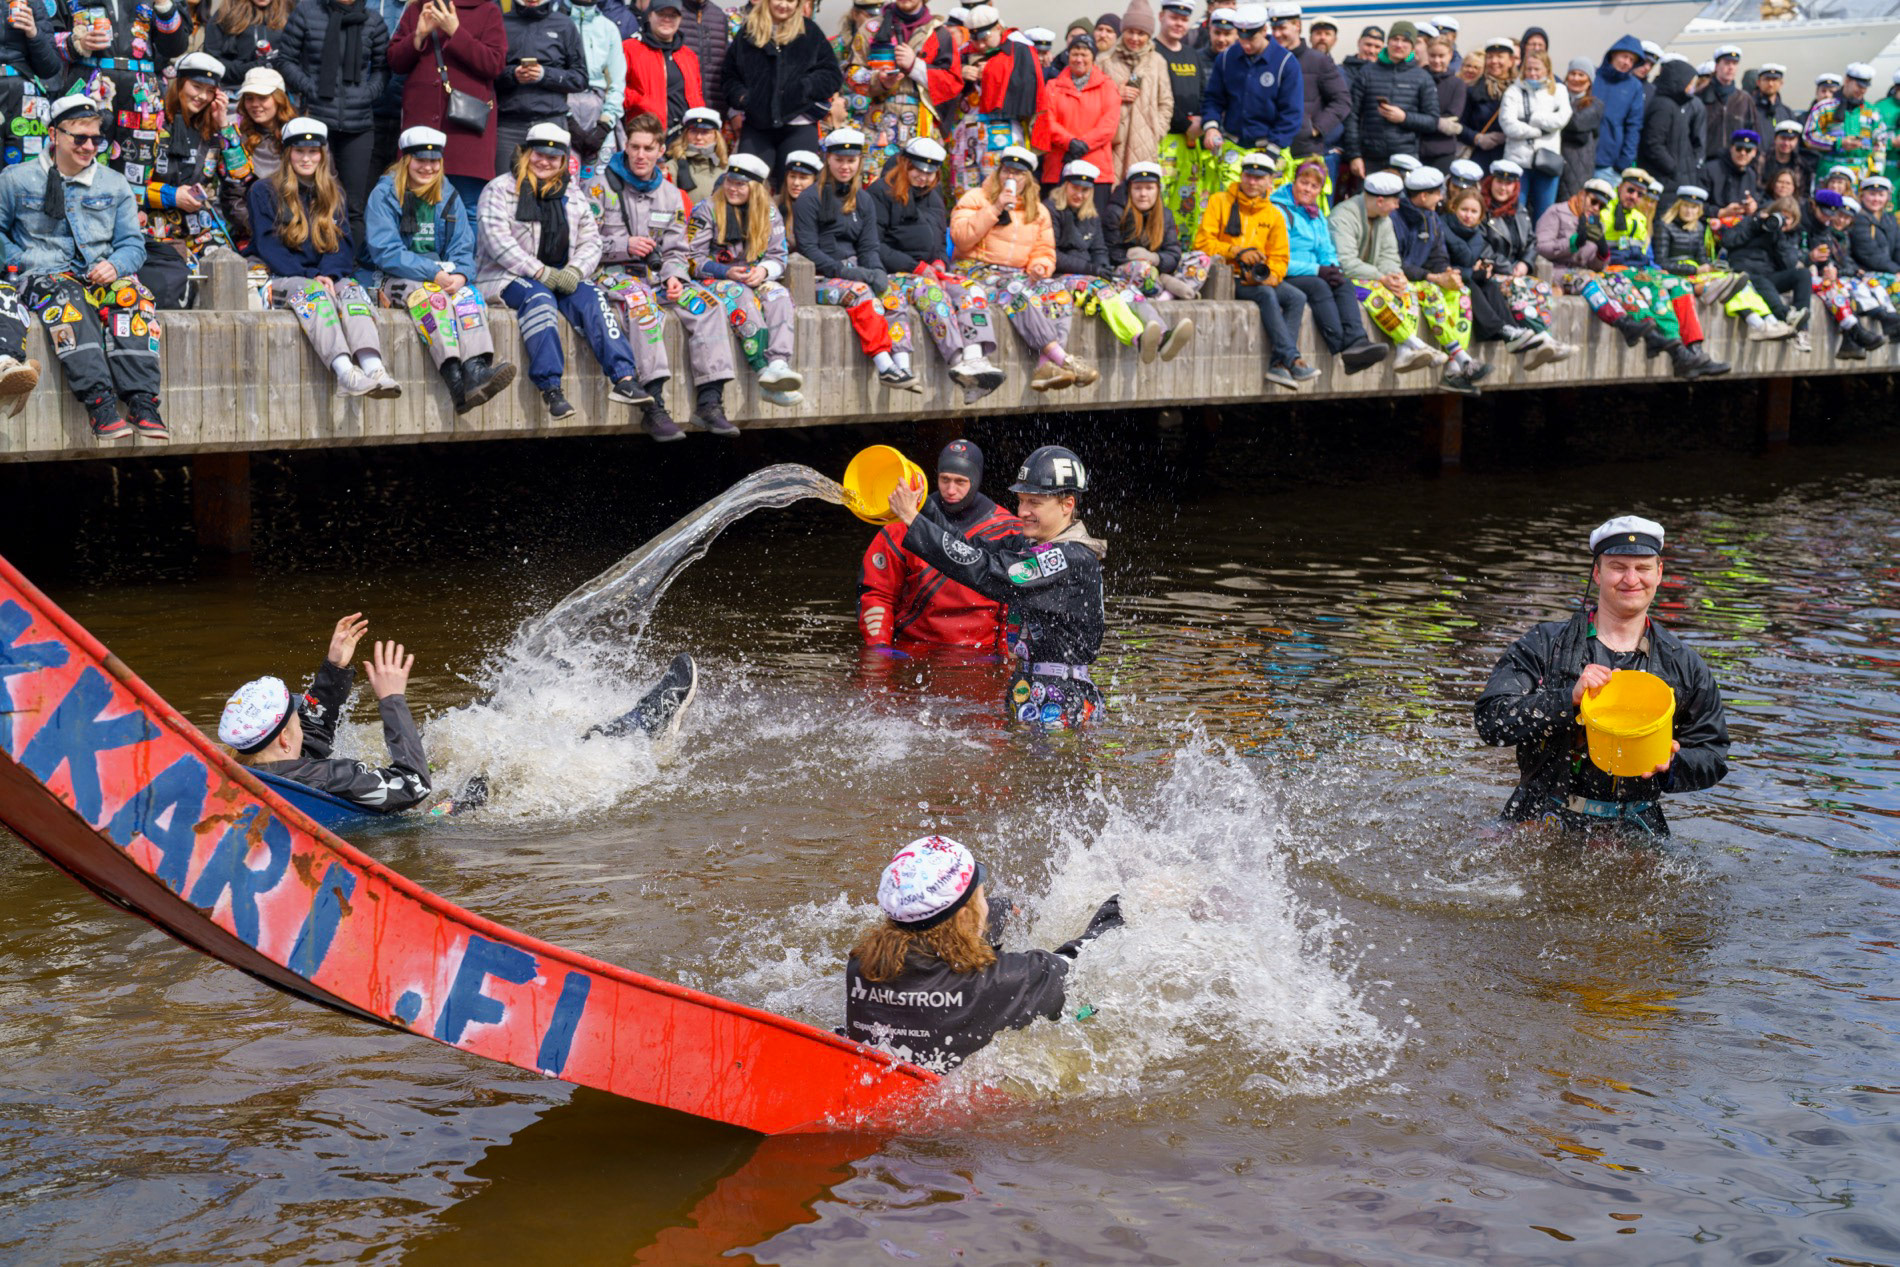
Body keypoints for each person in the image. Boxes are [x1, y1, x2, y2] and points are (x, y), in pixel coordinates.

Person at [1474, 516, 1730, 840]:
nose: (1631, 579)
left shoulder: (1685, 664)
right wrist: (1567, 699)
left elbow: (1713, 753)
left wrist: (1673, 763)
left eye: (1643, 568)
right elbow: (1491, 719)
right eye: (1618, 567)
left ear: (1659, 573)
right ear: (1597, 573)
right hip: (1539, 812)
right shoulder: (1544, 644)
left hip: (1635, 824)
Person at [844, 835, 1124, 1070]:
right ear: (965, 916)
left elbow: (928, 935)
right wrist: (1121, 906)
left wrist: (998, 910)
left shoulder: (862, 967)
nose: (986, 906)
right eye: (981, 897)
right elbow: (1084, 962)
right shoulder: (1006, 979)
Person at [888, 444, 1107, 730]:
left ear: (1067, 505)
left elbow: (990, 574)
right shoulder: (1030, 544)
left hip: (1062, 696)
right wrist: (923, 508)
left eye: (1034, 503)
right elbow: (970, 548)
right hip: (1028, 686)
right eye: (1021, 501)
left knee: (1048, 761)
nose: (1023, 512)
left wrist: (913, 521)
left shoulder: (1069, 558)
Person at [0, 96, 164, 440]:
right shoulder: (16, 179)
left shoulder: (113, 183)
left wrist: (115, 265)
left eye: (96, 139)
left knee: (134, 295)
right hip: (43, 276)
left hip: (99, 275)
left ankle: (142, 402)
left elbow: (133, 245)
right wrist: (21, 260)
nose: (89, 147)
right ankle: (99, 404)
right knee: (70, 299)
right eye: (79, 138)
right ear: (54, 135)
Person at [478, 122, 647, 420]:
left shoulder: (573, 193)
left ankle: (624, 378)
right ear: (526, 153)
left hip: (562, 274)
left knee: (593, 297)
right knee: (539, 299)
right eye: (539, 154)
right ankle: (551, 388)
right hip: (508, 276)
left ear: (562, 160)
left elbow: (592, 241)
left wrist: (576, 270)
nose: (544, 162)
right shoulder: (499, 189)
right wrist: (540, 272)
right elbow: (497, 243)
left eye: (553, 157)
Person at [591, 111, 743, 437]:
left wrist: (676, 277)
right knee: (642, 304)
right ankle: (654, 406)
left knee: (708, 304)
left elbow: (677, 250)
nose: (640, 155)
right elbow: (583, 243)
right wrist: (623, 245)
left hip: (657, 276)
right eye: (635, 147)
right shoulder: (600, 187)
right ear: (626, 147)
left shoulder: (671, 194)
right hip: (611, 273)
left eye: (648, 148)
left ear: (661, 150)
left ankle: (710, 402)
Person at [367, 126, 519, 415]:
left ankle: (476, 369)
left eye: (434, 161)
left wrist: (461, 274)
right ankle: (456, 381)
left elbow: (463, 245)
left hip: (442, 274)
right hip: (395, 276)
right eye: (420, 160)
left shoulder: (448, 192)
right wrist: (432, 273)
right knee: (432, 298)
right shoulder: (385, 193)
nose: (428, 167)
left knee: (469, 296)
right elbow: (385, 251)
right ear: (406, 160)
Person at [249, 118, 400, 399]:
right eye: (299, 151)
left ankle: (374, 368)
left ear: (322, 154)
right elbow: (270, 248)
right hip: (282, 276)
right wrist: (313, 277)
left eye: (313, 152)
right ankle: (345, 373)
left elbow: (342, 246)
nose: (306, 158)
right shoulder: (264, 191)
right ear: (288, 153)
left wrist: (329, 275)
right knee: (315, 295)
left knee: (352, 292)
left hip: (323, 276)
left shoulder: (334, 192)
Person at [218, 616, 431, 815]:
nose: (303, 728)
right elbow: (414, 784)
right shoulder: (330, 778)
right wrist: (392, 699)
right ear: (283, 738)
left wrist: (335, 669)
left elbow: (312, 738)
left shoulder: (248, 775)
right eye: (299, 723)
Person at [1537, 169, 1731, 379]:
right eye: (1630, 191)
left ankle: (1694, 350)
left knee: (1679, 285)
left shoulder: (1637, 217)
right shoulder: (1604, 211)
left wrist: (1604, 250)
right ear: (1620, 187)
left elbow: (1640, 255)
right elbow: (1560, 250)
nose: (1634, 197)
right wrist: (1587, 244)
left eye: (1640, 194)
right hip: (1616, 270)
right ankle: (1677, 350)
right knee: (1653, 289)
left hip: (1637, 269)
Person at [863, 135, 1010, 401]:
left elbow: (940, 240)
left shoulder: (933, 196)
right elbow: (874, 245)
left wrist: (940, 261)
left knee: (972, 289)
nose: (923, 177)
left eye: (929, 173)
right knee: (932, 293)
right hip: (897, 273)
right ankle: (957, 360)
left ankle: (974, 357)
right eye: (918, 170)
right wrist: (916, 267)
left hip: (932, 270)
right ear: (905, 164)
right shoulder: (880, 193)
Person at [950, 145, 1098, 391]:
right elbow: (961, 238)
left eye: (1018, 173)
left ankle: (1044, 366)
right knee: (1015, 291)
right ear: (998, 172)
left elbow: (1044, 250)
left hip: (1017, 273)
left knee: (1059, 293)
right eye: (1007, 170)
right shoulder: (976, 197)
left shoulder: (1038, 210)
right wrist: (995, 208)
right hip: (976, 269)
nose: (1011, 177)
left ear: (1027, 179)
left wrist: (1039, 266)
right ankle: (1063, 359)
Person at [791, 127, 922, 392]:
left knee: (892, 294)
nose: (845, 166)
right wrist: (846, 272)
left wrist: (876, 270)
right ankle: (884, 364)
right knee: (861, 293)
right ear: (828, 159)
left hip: (857, 271)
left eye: (851, 161)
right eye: (839, 159)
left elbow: (869, 245)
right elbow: (808, 249)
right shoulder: (809, 199)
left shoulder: (863, 199)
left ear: (859, 162)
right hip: (820, 277)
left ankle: (903, 363)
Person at [859, 439, 1017, 650]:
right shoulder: (902, 524)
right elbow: (878, 593)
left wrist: (1005, 656)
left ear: (976, 480)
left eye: (960, 482)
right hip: (912, 647)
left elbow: (1014, 602)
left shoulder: (1008, 530)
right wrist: (880, 650)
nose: (950, 490)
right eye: (945, 479)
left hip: (981, 652)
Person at [686, 151, 807, 406]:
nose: (733, 188)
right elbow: (691, 259)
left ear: (755, 188)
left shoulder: (769, 213)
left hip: (753, 274)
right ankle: (763, 371)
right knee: (739, 295)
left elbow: (778, 256)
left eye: (741, 184)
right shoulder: (706, 209)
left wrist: (763, 271)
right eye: (730, 181)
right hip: (714, 277)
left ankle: (778, 364)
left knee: (779, 294)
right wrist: (726, 272)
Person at [140, 51, 253, 308]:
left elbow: (241, 175)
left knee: (232, 279)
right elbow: (128, 185)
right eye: (196, 86)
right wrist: (172, 196)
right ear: (179, 84)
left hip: (200, 230)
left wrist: (224, 124)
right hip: (154, 230)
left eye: (209, 91)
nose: (201, 96)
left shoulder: (214, 130)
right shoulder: (152, 123)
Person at [278, 0, 389, 261]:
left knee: (353, 206)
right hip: (316, 122)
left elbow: (383, 69)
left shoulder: (373, 20)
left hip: (359, 124)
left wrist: (367, 93)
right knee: (313, 197)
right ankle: (310, 261)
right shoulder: (307, 12)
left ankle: (351, 267)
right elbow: (285, 59)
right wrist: (310, 88)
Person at [1197, 148, 1313, 388]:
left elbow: (1280, 257)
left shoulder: (1274, 215)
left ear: (1270, 181)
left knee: (1297, 297)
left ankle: (1278, 365)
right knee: (1266, 294)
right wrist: (1237, 251)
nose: (1252, 182)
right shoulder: (1220, 201)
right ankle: (1291, 359)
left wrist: (1270, 276)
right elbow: (1202, 244)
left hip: (1257, 278)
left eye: (1259, 178)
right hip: (1227, 277)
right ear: (1241, 176)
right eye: (1248, 176)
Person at [388, 0, 506, 213]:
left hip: (466, 133)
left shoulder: (487, 10)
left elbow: (494, 64)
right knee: (417, 210)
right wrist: (418, 35)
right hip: (421, 128)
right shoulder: (417, 8)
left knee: (467, 209)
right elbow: (395, 61)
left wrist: (456, 32)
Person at [1270, 156, 1383, 370]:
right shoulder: (1279, 211)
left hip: (1314, 271)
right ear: (1294, 182)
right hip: (1286, 272)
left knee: (1343, 283)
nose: (1307, 189)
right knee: (1319, 286)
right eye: (1304, 183)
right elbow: (1278, 258)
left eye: (1314, 186)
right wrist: (1318, 270)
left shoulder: (1316, 214)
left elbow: (1326, 248)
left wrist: (1332, 267)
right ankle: (1341, 346)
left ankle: (1357, 340)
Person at [1650, 183, 1794, 342]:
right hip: (1679, 274)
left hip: (1698, 274)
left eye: (1694, 207)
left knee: (1740, 284)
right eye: (1686, 206)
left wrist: (1711, 267)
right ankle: (1761, 325)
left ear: (1699, 210)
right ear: (1678, 206)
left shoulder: (1699, 227)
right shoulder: (1664, 226)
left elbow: (1702, 259)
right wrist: (1695, 270)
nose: (1689, 211)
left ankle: (1770, 322)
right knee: (1732, 289)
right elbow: (1661, 262)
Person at [829, 0, 961, 172]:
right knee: (874, 180)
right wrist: (878, 80)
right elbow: (851, 74)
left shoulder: (940, 33)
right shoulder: (871, 28)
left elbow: (953, 85)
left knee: (917, 181)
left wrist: (915, 66)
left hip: (921, 123)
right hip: (878, 122)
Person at [1392, 164, 1489, 393]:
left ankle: (1454, 368)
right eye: (1437, 194)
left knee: (1461, 291)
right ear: (1423, 196)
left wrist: (1448, 273)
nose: (1441, 198)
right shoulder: (1395, 218)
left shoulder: (1432, 218)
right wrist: (1434, 277)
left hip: (1426, 276)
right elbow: (1395, 262)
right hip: (1402, 278)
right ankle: (1461, 357)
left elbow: (1438, 255)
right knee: (1431, 290)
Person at [722, 0, 842, 176]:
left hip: (799, 125)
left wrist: (806, 87)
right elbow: (729, 76)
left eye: (791, 0)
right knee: (748, 182)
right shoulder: (748, 33)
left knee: (796, 185)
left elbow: (832, 74)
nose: (784, 5)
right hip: (757, 125)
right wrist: (742, 98)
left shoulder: (810, 31)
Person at [1478, 160, 1572, 365]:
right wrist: (1508, 268)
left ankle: (1545, 338)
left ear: (1515, 186)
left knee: (1541, 287)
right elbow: (1481, 247)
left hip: (1516, 271)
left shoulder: (1519, 210)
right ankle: (1544, 339)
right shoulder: (1482, 209)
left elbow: (1531, 242)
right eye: (1499, 182)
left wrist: (1525, 263)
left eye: (1509, 183)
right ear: (1491, 182)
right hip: (1493, 272)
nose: (1503, 188)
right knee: (1517, 287)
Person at [948, 7, 1045, 195]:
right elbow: (944, 80)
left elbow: (1028, 84)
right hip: (968, 135)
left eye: (985, 38)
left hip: (1003, 134)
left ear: (998, 28)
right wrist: (960, 72)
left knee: (1002, 190)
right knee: (965, 193)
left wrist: (991, 71)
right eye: (975, 39)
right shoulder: (963, 52)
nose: (981, 45)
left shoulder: (1019, 48)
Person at [1105, 157, 1209, 317]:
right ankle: (1168, 288)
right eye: (1137, 188)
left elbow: (1173, 253)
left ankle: (1166, 295)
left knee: (1201, 259)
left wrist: (1155, 258)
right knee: (1140, 269)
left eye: (1149, 188)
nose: (1143, 194)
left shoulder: (1165, 215)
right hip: (1130, 273)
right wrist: (1130, 257)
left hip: (1159, 268)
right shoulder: (1115, 212)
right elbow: (1109, 252)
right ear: (1129, 190)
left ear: (1158, 189)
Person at [1202, 5, 1304, 165]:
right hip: (1233, 147)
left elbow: (1291, 113)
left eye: (1251, 39)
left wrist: (1272, 150)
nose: (1246, 45)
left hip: (1270, 148)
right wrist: (1211, 127)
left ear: (1264, 30)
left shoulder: (1286, 63)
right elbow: (1213, 98)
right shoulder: (1226, 58)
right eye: (1241, 38)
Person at [494, 0, 586, 172]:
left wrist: (545, 75)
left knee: (552, 186)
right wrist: (512, 75)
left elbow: (580, 78)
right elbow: (487, 72)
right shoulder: (500, 23)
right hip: (509, 124)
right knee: (503, 185)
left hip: (551, 121)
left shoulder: (565, 25)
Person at [1340, 20, 1435, 180]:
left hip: (1406, 159)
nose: (1399, 44)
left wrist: (1404, 117)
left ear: (1412, 46)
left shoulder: (1422, 77)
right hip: (1370, 158)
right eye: (1395, 39)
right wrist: (1354, 155)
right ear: (1388, 42)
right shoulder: (1367, 72)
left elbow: (1432, 121)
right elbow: (1352, 116)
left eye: (1405, 41)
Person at [1153, 0, 1213, 232]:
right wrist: (1185, 123)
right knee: (1159, 200)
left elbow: (1203, 93)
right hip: (1163, 140)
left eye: (1184, 19)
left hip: (1191, 142)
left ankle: (1182, 248)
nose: (1179, 24)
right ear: (1161, 17)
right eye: (1174, 18)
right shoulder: (1152, 51)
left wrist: (1200, 121)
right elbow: (1155, 99)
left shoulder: (1192, 54)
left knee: (1187, 204)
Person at [1039, 33, 1121, 195]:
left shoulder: (1107, 86)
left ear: (1093, 57)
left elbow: (1108, 125)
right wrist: (1069, 143)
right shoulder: (1052, 87)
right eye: (1075, 54)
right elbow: (1046, 120)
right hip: (1059, 167)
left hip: (1096, 170)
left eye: (1084, 55)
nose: (1079, 59)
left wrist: (1083, 145)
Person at [1720, 191, 1812, 333]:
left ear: (1794, 221)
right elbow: (1727, 240)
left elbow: (1789, 264)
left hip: (1769, 275)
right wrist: (1755, 225)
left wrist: (1779, 236)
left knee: (1803, 274)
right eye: (1780, 215)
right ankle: (1785, 315)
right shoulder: (1753, 221)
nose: (1783, 220)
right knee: (1761, 281)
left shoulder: (1789, 235)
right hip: (1744, 272)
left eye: (1787, 218)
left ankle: (1801, 325)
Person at [1272, 3, 1347, 172]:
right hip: (1272, 149)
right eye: (1274, 28)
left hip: (1305, 152)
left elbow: (1342, 101)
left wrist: (1315, 129)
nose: (1277, 34)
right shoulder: (1268, 59)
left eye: (1282, 28)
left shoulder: (1318, 60)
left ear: (1297, 26)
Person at [1104, 0, 1174, 180]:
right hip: (1112, 143)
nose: (1135, 38)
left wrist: (1156, 131)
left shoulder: (1157, 62)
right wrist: (1116, 95)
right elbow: (1094, 102)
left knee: (1141, 190)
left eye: (1141, 33)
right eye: (1130, 31)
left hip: (1146, 144)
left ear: (1148, 35)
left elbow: (1166, 102)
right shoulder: (1105, 60)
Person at [1498, 48, 1569, 221]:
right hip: (1518, 160)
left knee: (1545, 213)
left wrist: (1533, 118)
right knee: (1515, 209)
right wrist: (1537, 131)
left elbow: (1561, 119)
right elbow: (1508, 124)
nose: (1532, 73)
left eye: (1537, 69)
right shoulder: (1513, 91)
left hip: (1547, 161)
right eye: (1528, 69)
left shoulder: (1559, 90)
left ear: (1547, 69)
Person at [624, 0, 699, 147]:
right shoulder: (629, 49)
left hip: (684, 137)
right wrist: (642, 102)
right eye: (661, 14)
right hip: (646, 136)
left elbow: (696, 95)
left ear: (680, 19)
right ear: (650, 15)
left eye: (673, 15)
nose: (667, 19)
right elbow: (616, 90)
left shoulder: (689, 55)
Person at [564, 0, 627, 165]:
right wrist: (566, 119)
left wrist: (605, 124)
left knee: (600, 177)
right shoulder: (556, 22)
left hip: (599, 109)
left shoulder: (608, 28)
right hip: (564, 108)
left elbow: (617, 82)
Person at [1805, 63, 1886, 184]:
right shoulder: (1824, 107)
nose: (1862, 90)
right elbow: (1808, 137)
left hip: (1861, 176)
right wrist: (1838, 143)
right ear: (1847, 80)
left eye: (1865, 87)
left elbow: (1880, 144)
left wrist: (1876, 172)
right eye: (1859, 86)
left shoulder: (1872, 111)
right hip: (1830, 173)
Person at [1592, 35, 1647, 183]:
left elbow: (1634, 126)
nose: (1627, 62)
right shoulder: (1593, 76)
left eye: (1632, 60)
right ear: (1613, 54)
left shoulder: (1634, 87)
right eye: (1625, 56)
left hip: (1609, 166)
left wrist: (1625, 161)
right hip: (1580, 157)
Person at [203, 0, 293, 88]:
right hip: (235, 89)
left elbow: (296, 60)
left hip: (278, 88)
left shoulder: (290, 13)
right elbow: (212, 61)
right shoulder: (225, 14)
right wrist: (249, 68)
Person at [1458, 36, 1513, 160]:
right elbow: (1460, 126)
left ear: (1510, 61)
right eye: (1490, 57)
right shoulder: (1473, 90)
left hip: (1511, 157)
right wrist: (1477, 138)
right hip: (1480, 156)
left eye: (1500, 56)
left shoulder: (1519, 90)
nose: (1494, 61)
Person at [1420, 36, 1466, 175]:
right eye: (1432, 55)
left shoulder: (1457, 84)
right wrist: (1437, 122)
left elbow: (1452, 117)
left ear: (1450, 55)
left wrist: (1420, 121)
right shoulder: (1418, 78)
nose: (1437, 60)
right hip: (1417, 148)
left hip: (1443, 151)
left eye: (1441, 56)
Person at [1698, 44, 1757, 151]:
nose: (1731, 68)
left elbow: (1753, 132)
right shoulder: (1700, 96)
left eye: (1734, 63)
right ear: (1716, 66)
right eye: (1727, 63)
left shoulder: (1744, 99)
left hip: (1735, 158)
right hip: (1707, 158)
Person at [1560, 57, 1603, 200]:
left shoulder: (1595, 105)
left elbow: (1577, 123)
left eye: (1581, 75)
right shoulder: (1556, 98)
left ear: (1589, 80)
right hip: (1553, 163)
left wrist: (1555, 123)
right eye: (1572, 74)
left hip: (1578, 168)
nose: (1576, 78)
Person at [1701, 127, 1761, 216]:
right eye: (1739, 148)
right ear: (1731, 148)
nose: (1743, 153)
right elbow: (1697, 204)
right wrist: (1721, 212)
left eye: (1748, 150)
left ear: (1754, 152)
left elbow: (1753, 200)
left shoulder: (1751, 174)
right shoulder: (1711, 169)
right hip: (1712, 221)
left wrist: (1752, 207)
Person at [669, 105, 727, 195]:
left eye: (705, 132)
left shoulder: (725, 167)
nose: (699, 137)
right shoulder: (672, 167)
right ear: (685, 134)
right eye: (693, 131)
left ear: (716, 136)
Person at [1761, 118, 1812, 204]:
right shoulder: (1762, 160)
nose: (1786, 143)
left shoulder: (1802, 166)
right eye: (1783, 138)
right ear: (1775, 139)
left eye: (1791, 139)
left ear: (1797, 141)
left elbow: (1804, 195)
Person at [1753, 62, 1797, 129]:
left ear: (1781, 83)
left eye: (1774, 79)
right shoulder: (1749, 109)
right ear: (1758, 82)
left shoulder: (1787, 113)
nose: (1770, 84)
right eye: (1767, 79)